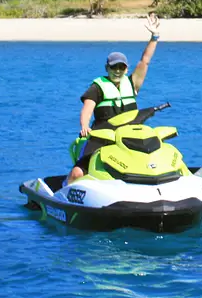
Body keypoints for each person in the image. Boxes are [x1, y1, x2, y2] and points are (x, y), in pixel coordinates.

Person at [66, 14, 161, 185]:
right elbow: (87, 109)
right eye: (113, 67)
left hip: (131, 139)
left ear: (126, 69)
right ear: (107, 68)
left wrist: (154, 37)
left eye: (121, 67)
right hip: (103, 137)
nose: (117, 71)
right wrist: (85, 126)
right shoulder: (97, 87)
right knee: (78, 172)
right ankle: (66, 191)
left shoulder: (132, 83)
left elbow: (145, 61)